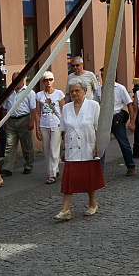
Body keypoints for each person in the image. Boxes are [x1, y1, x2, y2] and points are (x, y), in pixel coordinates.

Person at [54, 79, 104, 220]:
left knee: (89, 177)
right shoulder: (66, 108)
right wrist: (63, 149)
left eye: (77, 90)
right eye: (72, 91)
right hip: (71, 148)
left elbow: (98, 128)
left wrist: (97, 146)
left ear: (84, 91)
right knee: (69, 180)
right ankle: (66, 209)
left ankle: (93, 204)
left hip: (89, 146)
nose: (74, 93)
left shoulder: (93, 106)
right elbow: (63, 130)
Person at [95, 69, 137, 176]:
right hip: (104, 120)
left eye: (106, 74)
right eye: (102, 75)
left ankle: (131, 166)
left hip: (116, 119)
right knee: (101, 146)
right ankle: (99, 171)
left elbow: (129, 104)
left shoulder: (120, 88)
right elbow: (95, 105)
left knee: (124, 144)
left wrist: (132, 121)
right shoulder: (99, 90)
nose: (104, 77)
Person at [0, 72, 37, 177]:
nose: (14, 82)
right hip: (11, 120)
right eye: (12, 80)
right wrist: (4, 121)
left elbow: (33, 108)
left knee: (27, 144)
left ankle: (29, 165)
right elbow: (5, 108)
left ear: (22, 80)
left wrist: (32, 121)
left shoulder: (29, 91)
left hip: (24, 119)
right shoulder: (9, 92)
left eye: (16, 80)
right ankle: (8, 167)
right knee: (9, 144)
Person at [35, 72, 65, 185]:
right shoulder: (39, 95)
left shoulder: (59, 94)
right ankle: (54, 170)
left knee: (54, 149)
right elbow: (38, 112)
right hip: (44, 124)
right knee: (46, 150)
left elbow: (63, 110)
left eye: (50, 79)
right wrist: (37, 128)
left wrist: (64, 126)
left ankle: (51, 175)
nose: (48, 82)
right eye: (46, 80)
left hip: (56, 124)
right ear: (42, 82)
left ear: (53, 80)